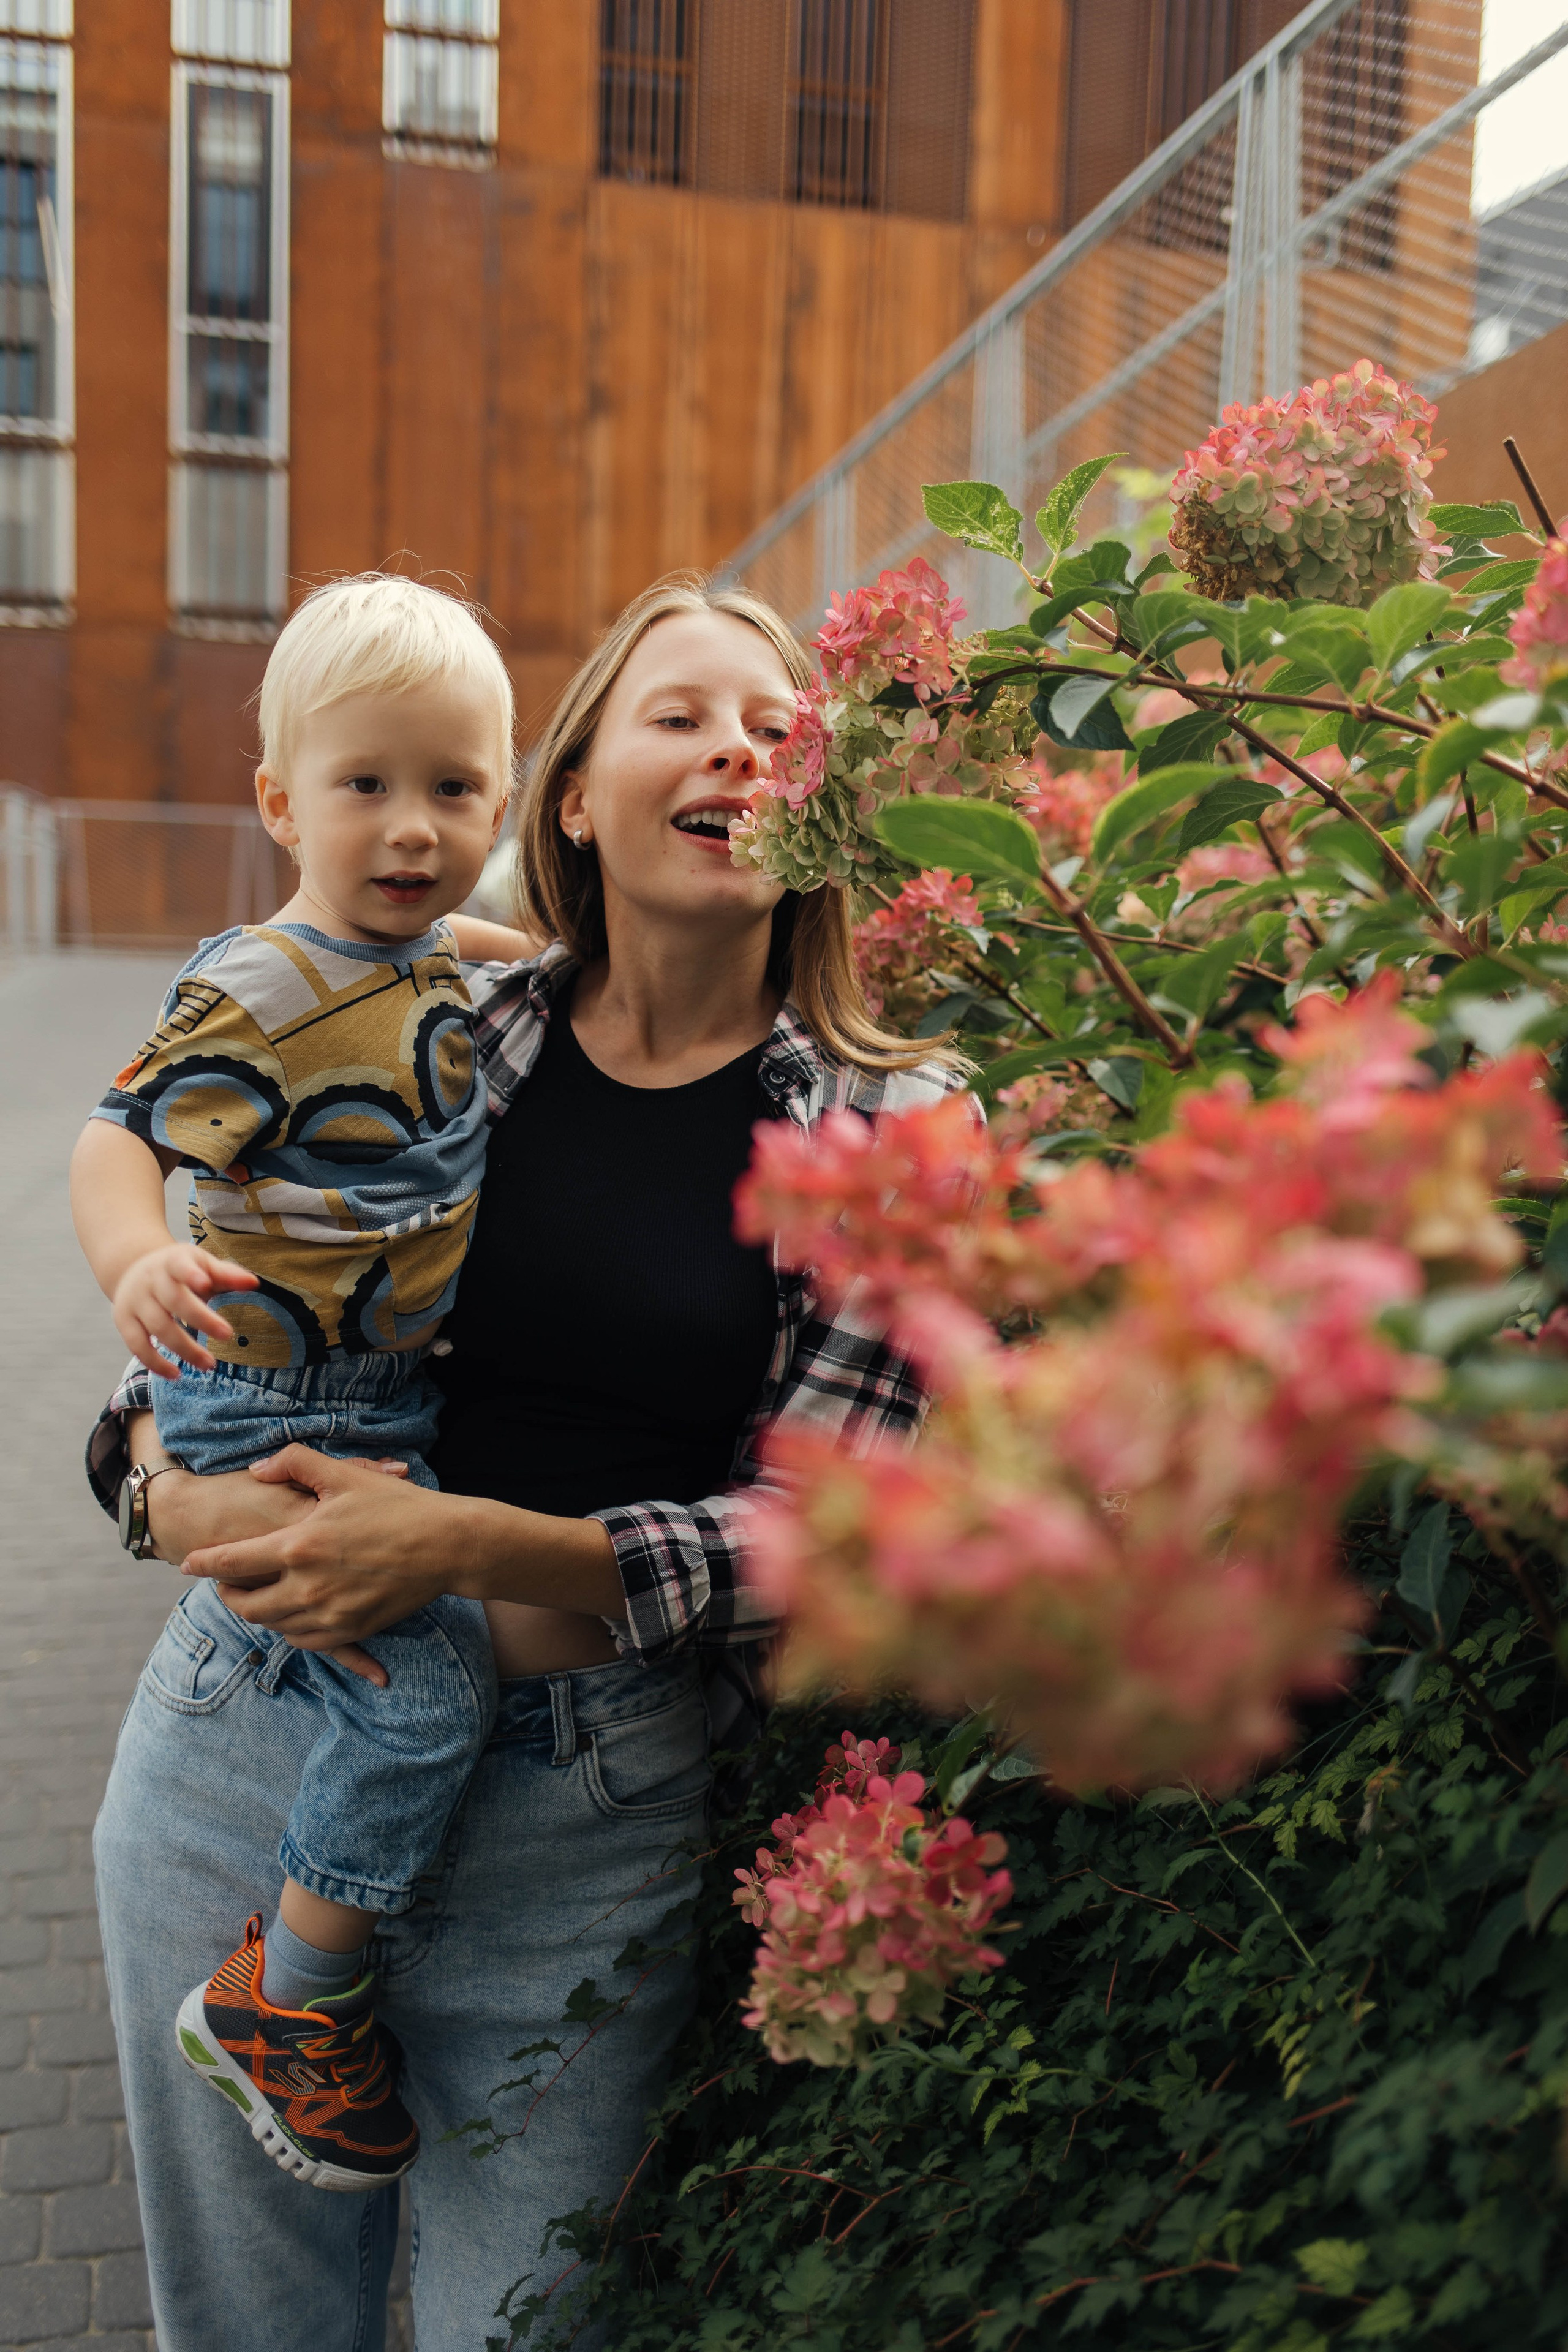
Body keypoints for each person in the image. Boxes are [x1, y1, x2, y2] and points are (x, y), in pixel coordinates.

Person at [88, 573, 965, 2351]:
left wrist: (472, 1545)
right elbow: (222, 1331)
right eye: (679, 715)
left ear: (822, 801)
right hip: (255, 1730)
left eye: (776, 727)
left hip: (584, 1821)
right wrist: (166, 1492)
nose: (736, 750)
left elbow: (836, 1535)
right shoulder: (448, 1024)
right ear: (568, 797)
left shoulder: (901, 1126)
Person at [70, 574, 538, 2191]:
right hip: (272, 1404)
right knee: (429, 1694)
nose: (413, 828)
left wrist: (565, 952)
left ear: (500, 801)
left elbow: (498, 944)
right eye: (367, 786)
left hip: (376, 1389)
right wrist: (136, 1261)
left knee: (395, 1641)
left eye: (454, 789)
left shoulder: (438, 955)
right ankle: (289, 1993)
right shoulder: (261, 985)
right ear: (281, 804)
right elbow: (116, 1136)